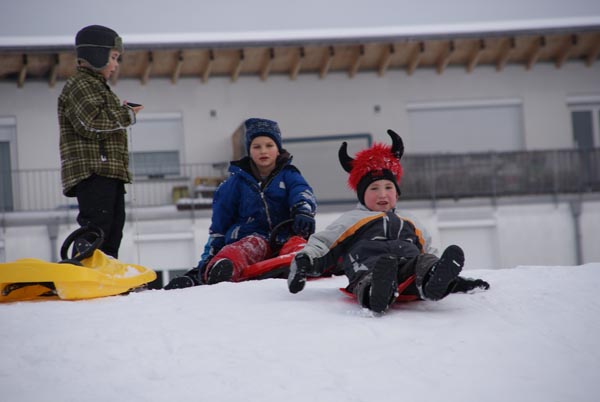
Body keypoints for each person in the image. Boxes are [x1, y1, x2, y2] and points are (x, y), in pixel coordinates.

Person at [287, 129, 490, 314]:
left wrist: (452, 278)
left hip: (408, 269)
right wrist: (304, 262)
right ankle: (376, 293)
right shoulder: (352, 219)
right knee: (372, 275)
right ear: (361, 195)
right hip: (366, 267)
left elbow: (427, 251)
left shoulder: (410, 220)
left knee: (424, 262)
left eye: (388, 188)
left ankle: (432, 282)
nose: (382, 194)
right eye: (374, 189)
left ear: (397, 193)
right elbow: (324, 243)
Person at [165, 118, 317, 289]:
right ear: (249, 151)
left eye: (269, 145)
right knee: (243, 248)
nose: (263, 151)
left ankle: (301, 265)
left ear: (278, 148)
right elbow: (221, 221)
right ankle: (223, 269)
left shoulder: (289, 175)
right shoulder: (234, 184)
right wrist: (214, 250)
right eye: (256, 146)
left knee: (298, 244)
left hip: (286, 234)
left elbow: (301, 191)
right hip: (253, 236)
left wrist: (303, 211)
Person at [58, 25, 143, 259]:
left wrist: (122, 111)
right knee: (97, 225)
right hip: (94, 170)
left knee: (114, 227)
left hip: (109, 170)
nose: (116, 65)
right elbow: (91, 121)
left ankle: (105, 271)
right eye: (114, 57)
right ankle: (84, 268)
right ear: (97, 54)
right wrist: (126, 115)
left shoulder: (96, 86)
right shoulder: (81, 85)